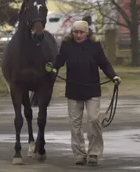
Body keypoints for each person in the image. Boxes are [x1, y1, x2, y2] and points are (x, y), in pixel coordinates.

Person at [51, 20, 121, 166]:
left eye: (81, 32)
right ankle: (79, 154)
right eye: (76, 32)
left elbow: (104, 63)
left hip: (92, 89)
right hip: (73, 89)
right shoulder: (67, 46)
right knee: (75, 124)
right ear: (72, 33)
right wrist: (52, 70)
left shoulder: (94, 46)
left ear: (87, 33)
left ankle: (94, 152)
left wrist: (113, 76)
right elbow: (58, 61)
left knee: (94, 120)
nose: (78, 35)